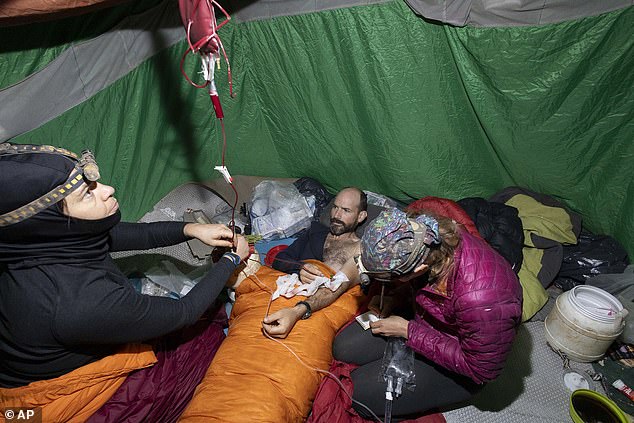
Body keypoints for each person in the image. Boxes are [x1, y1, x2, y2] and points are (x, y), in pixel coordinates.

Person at [0, 143, 250, 391]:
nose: (108, 189)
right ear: (49, 223)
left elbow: (137, 236)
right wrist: (231, 260)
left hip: (36, 348)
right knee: (202, 346)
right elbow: (184, 312)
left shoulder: (43, 242)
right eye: (87, 193)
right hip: (55, 387)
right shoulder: (77, 302)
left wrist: (191, 229)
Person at [332, 208, 523, 420]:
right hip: (426, 316)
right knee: (344, 347)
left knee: (358, 393)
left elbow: (481, 369)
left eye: (390, 278)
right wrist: (396, 297)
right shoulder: (423, 232)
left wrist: (409, 332)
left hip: (460, 359)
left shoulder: (484, 300)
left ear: (418, 268)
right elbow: (415, 281)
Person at [262, 187, 367, 338]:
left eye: (346, 210)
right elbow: (279, 260)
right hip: (287, 295)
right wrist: (299, 268)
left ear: (361, 216)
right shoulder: (315, 233)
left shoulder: (360, 249)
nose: (337, 215)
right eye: (335, 207)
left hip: (322, 307)